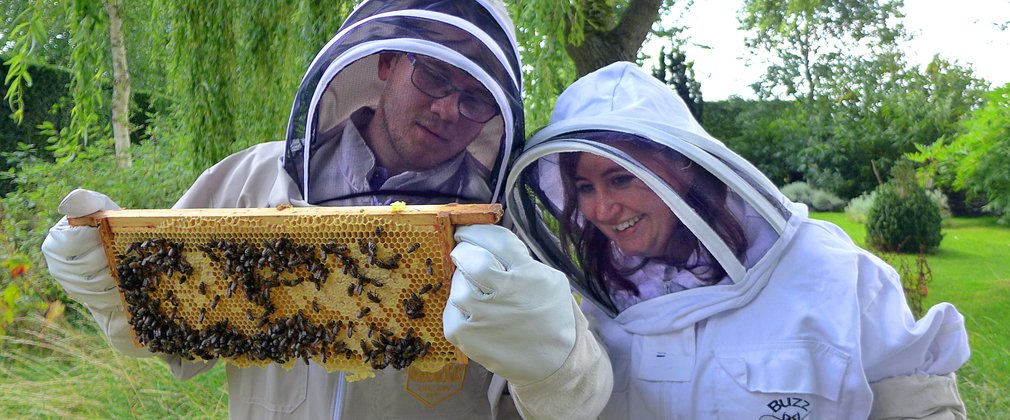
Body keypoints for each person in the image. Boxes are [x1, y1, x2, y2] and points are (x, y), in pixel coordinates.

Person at [40, 1, 612, 418]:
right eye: (433, 75)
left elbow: (578, 398)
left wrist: (556, 363)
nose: (446, 108)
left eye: (475, 98)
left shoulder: (504, 225)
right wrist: (111, 289)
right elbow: (178, 342)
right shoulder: (252, 178)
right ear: (384, 62)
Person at [504, 61, 970, 419]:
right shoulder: (595, 304)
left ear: (683, 166)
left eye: (622, 179)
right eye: (584, 187)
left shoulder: (836, 272)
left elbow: (918, 406)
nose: (601, 210)